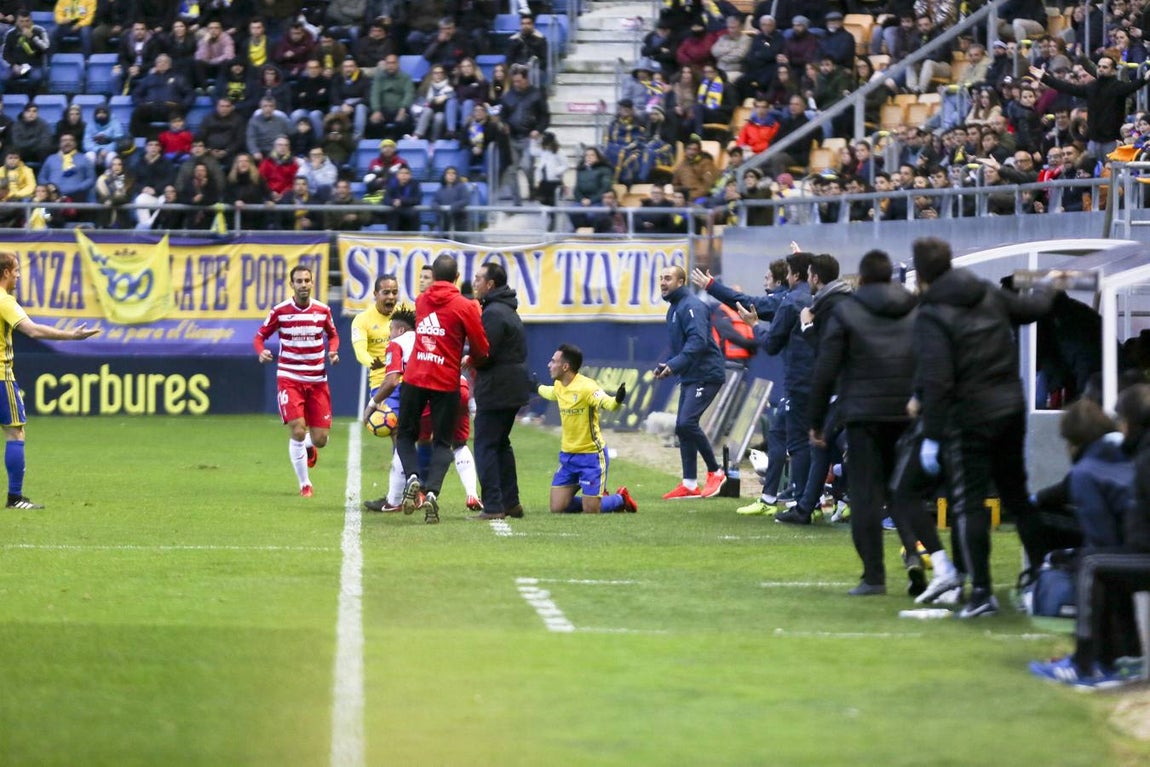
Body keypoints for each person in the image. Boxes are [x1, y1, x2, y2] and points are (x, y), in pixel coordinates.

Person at [913, 237, 1058, 617]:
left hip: (968, 416)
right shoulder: (987, 293)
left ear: (922, 273)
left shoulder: (931, 313)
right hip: (1010, 406)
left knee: (969, 504)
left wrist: (931, 436)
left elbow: (937, 379)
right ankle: (1041, 578)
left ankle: (981, 592)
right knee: (1018, 496)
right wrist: (1047, 285)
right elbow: (1032, 309)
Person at [808, 249, 959, 597]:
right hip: (908, 413)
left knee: (865, 497)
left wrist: (816, 421)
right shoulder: (915, 308)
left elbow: (825, 370)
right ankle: (915, 553)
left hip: (863, 416)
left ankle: (874, 576)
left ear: (860, 279)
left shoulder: (847, 311)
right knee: (902, 492)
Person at [1030, 384, 1150, 689]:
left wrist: (1069, 557)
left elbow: (1102, 537)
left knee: (1092, 563)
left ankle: (1084, 665)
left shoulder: (1087, 472)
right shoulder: (1130, 457)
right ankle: (1123, 656)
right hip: (1139, 547)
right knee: (1104, 563)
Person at [0, 251, 100, 508]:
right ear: (6, 272)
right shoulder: (5, 301)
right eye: (16, 270)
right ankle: (15, 498)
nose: (18, 275)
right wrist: (72, 336)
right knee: (15, 432)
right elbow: (32, 330)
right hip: (1, 377)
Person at [395, 254, 489, 524]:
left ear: (434, 277)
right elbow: (481, 347)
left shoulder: (422, 300)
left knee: (405, 435)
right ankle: (432, 493)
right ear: (457, 278)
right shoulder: (466, 306)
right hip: (446, 381)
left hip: (415, 376)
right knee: (443, 443)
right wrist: (473, 359)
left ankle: (413, 477)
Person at [253, 265, 340, 497]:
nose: (303, 284)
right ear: (291, 284)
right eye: (299, 281)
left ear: (312, 283)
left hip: (317, 380)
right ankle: (305, 484)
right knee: (298, 430)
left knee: (321, 439)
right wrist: (261, 352)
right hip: (289, 378)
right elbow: (260, 337)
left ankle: (310, 445)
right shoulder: (280, 311)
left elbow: (333, 334)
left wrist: (333, 351)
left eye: (306, 280)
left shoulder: (322, 310)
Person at [535, 344, 636, 514]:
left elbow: (607, 403)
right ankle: (595, 497)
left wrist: (617, 400)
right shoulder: (559, 385)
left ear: (565, 366)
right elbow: (551, 393)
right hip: (568, 456)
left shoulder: (587, 387)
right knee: (557, 508)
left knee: (591, 510)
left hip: (591, 457)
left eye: (553, 361)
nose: (549, 365)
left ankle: (620, 499)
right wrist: (536, 387)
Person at [655, 265, 728, 500]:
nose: (663, 282)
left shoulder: (692, 305)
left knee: (687, 423)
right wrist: (668, 365)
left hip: (706, 374)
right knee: (682, 427)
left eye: (668, 278)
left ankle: (716, 472)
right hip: (691, 375)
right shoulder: (674, 308)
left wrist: (674, 365)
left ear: (681, 282)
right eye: (661, 278)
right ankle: (689, 484)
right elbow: (682, 346)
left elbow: (698, 342)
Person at [468, 261, 532, 521]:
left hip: (497, 387)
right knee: (501, 444)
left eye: (478, 278)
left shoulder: (493, 313)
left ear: (490, 284)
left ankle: (494, 506)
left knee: (485, 444)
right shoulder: (507, 309)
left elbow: (486, 352)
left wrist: (470, 359)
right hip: (512, 387)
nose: (475, 283)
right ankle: (511, 502)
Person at [354, 274, 406, 511]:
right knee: (398, 433)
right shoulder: (362, 320)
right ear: (375, 294)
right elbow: (360, 351)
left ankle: (407, 493)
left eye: (394, 292)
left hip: (409, 381)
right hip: (383, 385)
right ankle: (401, 494)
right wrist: (372, 362)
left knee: (414, 436)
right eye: (386, 292)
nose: (391, 297)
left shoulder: (405, 315)